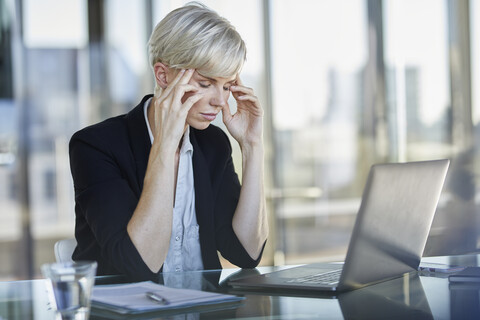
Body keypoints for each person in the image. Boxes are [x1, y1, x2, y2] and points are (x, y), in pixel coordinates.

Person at [69, 2, 268, 280]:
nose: (221, 102)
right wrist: (165, 143)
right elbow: (140, 264)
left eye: (226, 86)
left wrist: (252, 145)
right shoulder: (95, 146)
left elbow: (246, 252)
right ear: (163, 75)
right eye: (205, 83)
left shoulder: (213, 144)